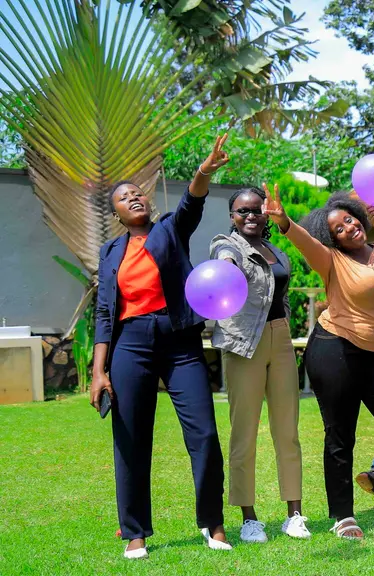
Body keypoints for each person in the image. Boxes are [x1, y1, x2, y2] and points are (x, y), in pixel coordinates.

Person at [90, 134, 233, 559]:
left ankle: (213, 522)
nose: (133, 198)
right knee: (131, 437)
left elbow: (192, 202)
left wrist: (204, 170)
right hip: (130, 344)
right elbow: (103, 311)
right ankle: (135, 532)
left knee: (204, 433)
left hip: (179, 340)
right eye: (123, 197)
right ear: (116, 212)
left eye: (137, 193)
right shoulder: (110, 251)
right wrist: (99, 371)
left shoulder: (170, 229)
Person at [263, 185, 374, 540]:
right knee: (340, 434)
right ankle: (342, 515)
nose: (348, 228)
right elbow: (305, 242)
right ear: (332, 238)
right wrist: (286, 222)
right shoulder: (331, 259)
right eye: (338, 228)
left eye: (349, 220)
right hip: (334, 349)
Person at [210, 187, 307, 543]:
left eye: (256, 210)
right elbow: (224, 258)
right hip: (242, 342)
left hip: (279, 337)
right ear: (232, 215)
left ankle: (294, 514)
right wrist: (226, 268)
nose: (250, 216)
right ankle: (249, 518)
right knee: (244, 433)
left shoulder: (276, 249)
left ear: (266, 214)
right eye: (242, 211)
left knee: (288, 431)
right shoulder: (227, 245)